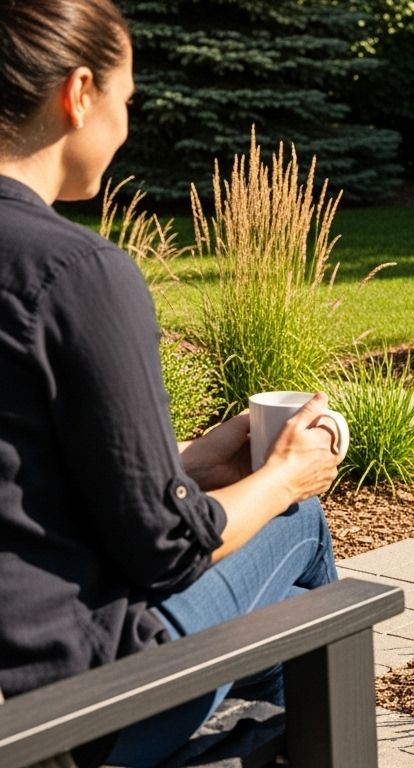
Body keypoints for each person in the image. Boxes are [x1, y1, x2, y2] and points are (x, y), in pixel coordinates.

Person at [0, 2, 345, 765]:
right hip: (66, 700)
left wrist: (181, 468)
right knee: (302, 526)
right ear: (79, 92)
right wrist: (287, 475)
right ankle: (311, 738)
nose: (126, 121)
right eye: (127, 99)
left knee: (285, 610)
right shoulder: (73, 273)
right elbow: (164, 549)